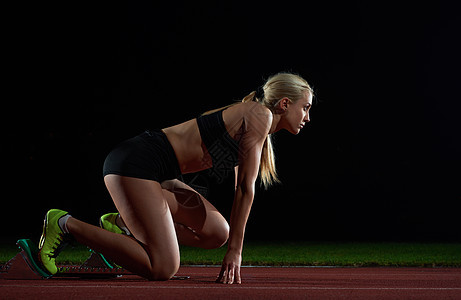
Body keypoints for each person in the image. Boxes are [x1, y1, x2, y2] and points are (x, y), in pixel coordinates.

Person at [38, 72, 313, 284]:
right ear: (285, 103)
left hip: (161, 174)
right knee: (163, 268)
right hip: (136, 163)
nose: (307, 117)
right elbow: (244, 189)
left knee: (218, 231)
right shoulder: (259, 115)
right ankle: (64, 224)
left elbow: (240, 185)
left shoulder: (256, 123)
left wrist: (230, 244)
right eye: (305, 108)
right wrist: (235, 252)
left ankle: (120, 225)